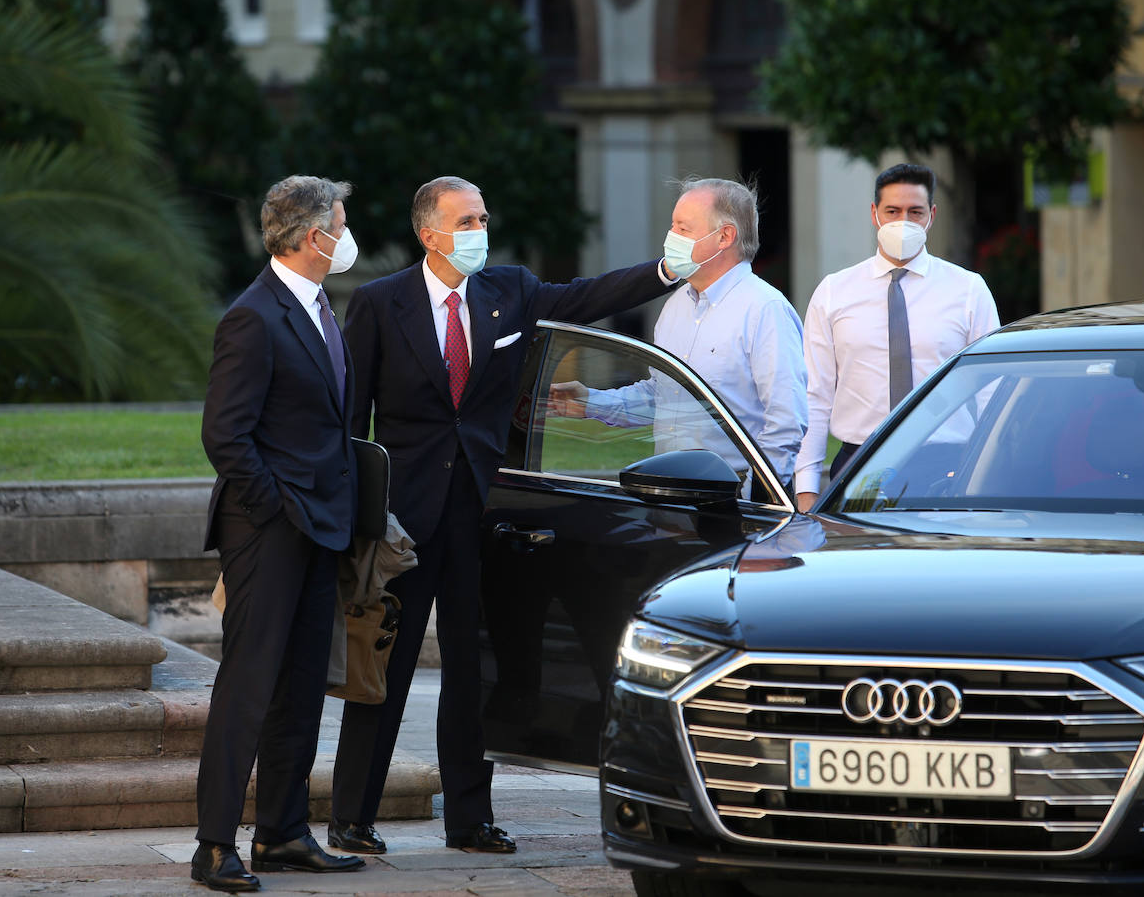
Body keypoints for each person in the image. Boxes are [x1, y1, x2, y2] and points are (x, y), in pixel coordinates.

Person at [329, 175, 676, 857]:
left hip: (482, 520)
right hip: (402, 524)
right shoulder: (378, 304)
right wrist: (357, 524)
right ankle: (351, 815)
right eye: (465, 220)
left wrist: (665, 270)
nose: (478, 230)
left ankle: (469, 819)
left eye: (483, 217)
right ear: (429, 233)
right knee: (384, 670)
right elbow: (351, 425)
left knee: (471, 671)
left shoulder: (509, 290)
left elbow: (586, 295)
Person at [192, 175, 367, 892]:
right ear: (310, 236)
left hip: (320, 526)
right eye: (342, 223)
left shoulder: (322, 307)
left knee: (300, 684)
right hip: (270, 528)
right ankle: (213, 846)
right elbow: (224, 435)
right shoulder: (253, 316)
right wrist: (277, 509)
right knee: (250, 685)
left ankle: (284, 833)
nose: (348, 235)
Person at [547, 177, 807, 494]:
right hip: (670, 488)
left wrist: (755, 497)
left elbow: (786, 421)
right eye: (673, 227)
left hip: (735, 491)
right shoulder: (676, 306)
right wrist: (592, 402)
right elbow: (664, 397)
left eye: (683, 229)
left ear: (725, 236)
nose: (671, 238)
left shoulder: (765, 309)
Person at [794, 163, 1001, 512]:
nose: (903, 222)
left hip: (949, 462)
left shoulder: (968, 290)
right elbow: (814, 394)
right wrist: (806, 489)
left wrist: (989, 474)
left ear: (931, 216)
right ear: (874, 214)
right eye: (893, 211)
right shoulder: (834, 292)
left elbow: (992, 391)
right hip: (859, 460)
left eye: (915, 212)